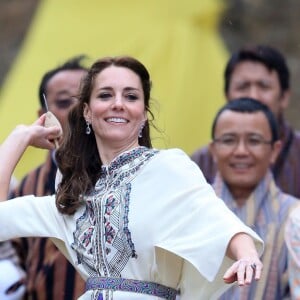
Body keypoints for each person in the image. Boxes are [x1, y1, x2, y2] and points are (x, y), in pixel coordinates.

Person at [0, 56, 264, 300]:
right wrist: (20, 137)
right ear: (87, 112)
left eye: (131, 96)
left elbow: (216, 219)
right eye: (105, 95)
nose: (118, 103)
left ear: (144, 113)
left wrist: (247, 255)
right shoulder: (72, 195)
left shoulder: (167, 167)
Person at [9, 56, 88, 300]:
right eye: (65, 101)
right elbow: (20, 251)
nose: (78, 110)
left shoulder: (125, 173)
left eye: (88, 99)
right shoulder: (27, 185)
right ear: (43, 115)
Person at [208, 97, 298, 299]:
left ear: (274, 151)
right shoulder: (190, 211)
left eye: (254, 141)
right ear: (213, 150)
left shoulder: (295, 217)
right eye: (229, 140)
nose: (241, 151)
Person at [191, 45, 300, 198]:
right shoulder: (200, 163)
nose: (253, 96)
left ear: (284, 97)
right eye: (243, 86)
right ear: (226, 95)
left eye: (264, 86)